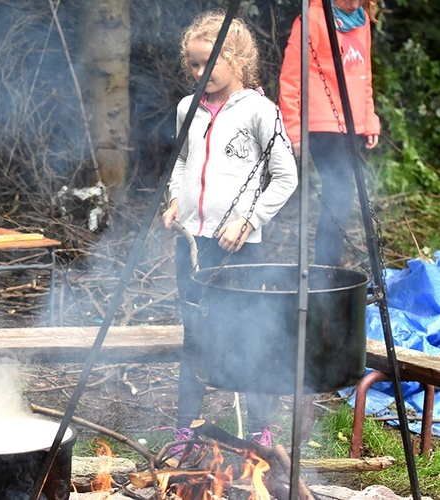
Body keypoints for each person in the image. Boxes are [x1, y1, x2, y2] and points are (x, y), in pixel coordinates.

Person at [162, 11, 298, 442]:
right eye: (194, 64)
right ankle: (184, 431)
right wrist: (173, 198)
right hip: (193, 244)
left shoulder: (261, 111)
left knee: (247, 337)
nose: (199, 72)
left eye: (209, 63)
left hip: (239, 249)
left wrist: (249, 218)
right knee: (193, 337)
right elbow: (182, 162)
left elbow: (286, 176)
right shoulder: (188, 108)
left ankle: (261, 431)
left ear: (237, 60)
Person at [279, 0, 380, 267]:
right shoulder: (311, 18)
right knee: (339, 192)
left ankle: (328, 267)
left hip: (352, 123)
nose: (354, 3)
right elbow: (291, 77)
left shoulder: (362, 20)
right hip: (321, 122)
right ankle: (326, 269)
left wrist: (369, 118)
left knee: (343, 194)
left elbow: (364, 73)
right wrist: (294, 129)